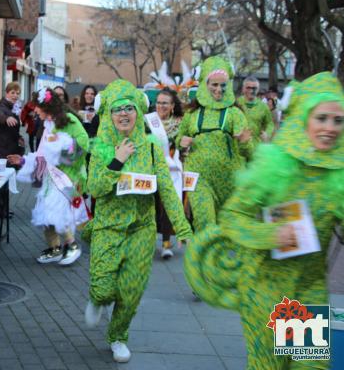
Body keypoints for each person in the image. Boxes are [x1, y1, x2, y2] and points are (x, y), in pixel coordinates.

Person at [184, 72, 344, 369]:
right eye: (321, 118)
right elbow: (232, 217)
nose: (330, 128)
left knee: (311, 365)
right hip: (266, 285)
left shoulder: (339, 173)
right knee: (270, 367)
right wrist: (272, 235)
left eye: (338, 121)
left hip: (309, 285)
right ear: (304, 119)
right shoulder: (275, 164)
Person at [84, 80, 193, 363]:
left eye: (129, 108)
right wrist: (117, 161)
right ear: (107, 114)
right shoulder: (101, 148)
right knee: (104, 287)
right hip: (108, 225)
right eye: (118, 109)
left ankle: (118, 336)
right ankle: (98, 298)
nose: (124, 114)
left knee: (131, 290)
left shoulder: (153, 148)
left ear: (138, 112)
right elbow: (94, 188)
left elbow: (168, 190)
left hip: (142, 229)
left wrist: (183, 228)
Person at [10, 88, 90, 265]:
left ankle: (72, 245)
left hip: (67, 175)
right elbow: (42, 152)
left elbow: (83, 142)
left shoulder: (69, 120)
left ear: (47, 106)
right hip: (50, 176)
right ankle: (55, 248)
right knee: (45, 213)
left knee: (59, 212)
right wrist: (24, 161)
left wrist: (62, 152)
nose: (35, 111)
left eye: (38, 107)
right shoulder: (48, 123)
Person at [176, 56, 252, 232]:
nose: (219, 90)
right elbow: (179, 140)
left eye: (223, 85)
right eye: (214, 85)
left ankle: (218, 258)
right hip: (198, 178)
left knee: (227, 230)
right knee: (205, 223)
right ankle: (202, 257)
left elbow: (249, 153)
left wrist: (243, 143)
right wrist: (182, 142)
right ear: (204, 84)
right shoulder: (192, 114)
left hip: (229, 180)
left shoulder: (235, 114)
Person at [152, 88, 184, 259]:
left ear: (172, 105)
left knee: (167, 206)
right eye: (158, 102)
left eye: (165, 103)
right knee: (151, 206)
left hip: (171, 170)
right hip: (150, 168)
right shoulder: (148, 122)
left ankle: (166, 243)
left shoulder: (180, 123)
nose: (161, 106)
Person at [0, 82, 25, 218]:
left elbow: (12, 129)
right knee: (0, 180)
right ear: (6, 93)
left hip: (8, 148)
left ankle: (3, 209)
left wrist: (19, 137)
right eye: (12, 93)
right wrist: (6, 118)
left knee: (5, 180)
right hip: (0, 149)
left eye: (17, 93)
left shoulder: (13, 107)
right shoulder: (1, 107)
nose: (15, 95)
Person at [237, 76, 275, 148]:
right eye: (248, 88)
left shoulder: (263, 107)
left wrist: (267, 133)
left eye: (254, 88)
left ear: (258, 89)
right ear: (243, 88)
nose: (251, 91)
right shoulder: (236, 104)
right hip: (238, 147)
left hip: (256, 147)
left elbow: (270, 123)